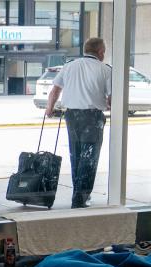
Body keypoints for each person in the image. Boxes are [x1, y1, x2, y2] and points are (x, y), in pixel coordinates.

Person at [45, 37, 111, 209]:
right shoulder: (105, 70)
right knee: (89, 158)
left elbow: (55, 90)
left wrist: (49, 109)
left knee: (77, 156)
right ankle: (80, 199)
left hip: (72, 116)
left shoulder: (69, 66)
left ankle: (78, 194)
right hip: (92, 117)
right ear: (101, 52)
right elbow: (111, 98)